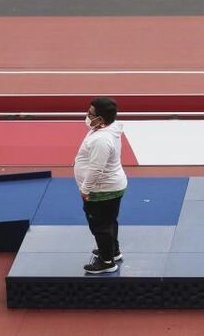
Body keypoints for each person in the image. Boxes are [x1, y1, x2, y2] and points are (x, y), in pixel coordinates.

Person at [74, 97, 127, 274]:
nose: (88, 116)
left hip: (102, 190)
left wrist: (85, 189)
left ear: (102, 119)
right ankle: (113, 251)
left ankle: (106, 261)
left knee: (99, 226)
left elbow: (96, 169)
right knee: (109, 221)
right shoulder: (108, 128)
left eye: (91, 114)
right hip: (111, 186)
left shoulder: (101, 140)